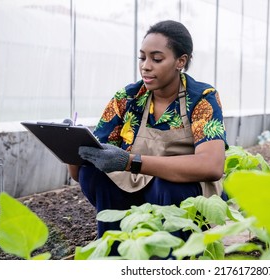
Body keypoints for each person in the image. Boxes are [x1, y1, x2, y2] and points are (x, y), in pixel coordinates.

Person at [68, 20, 228, 241]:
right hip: (136, 190)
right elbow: (81, 173)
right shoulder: (129, 97)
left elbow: (212, 166)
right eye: (142, 57)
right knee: (92, 173)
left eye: (157, 58)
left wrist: (129, 161)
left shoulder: (201, 98)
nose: (146, 66)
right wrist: (71, 148)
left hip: (179, 194)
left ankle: (173, 252)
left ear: (180, 61)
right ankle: (113, 243)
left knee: (168, 186)